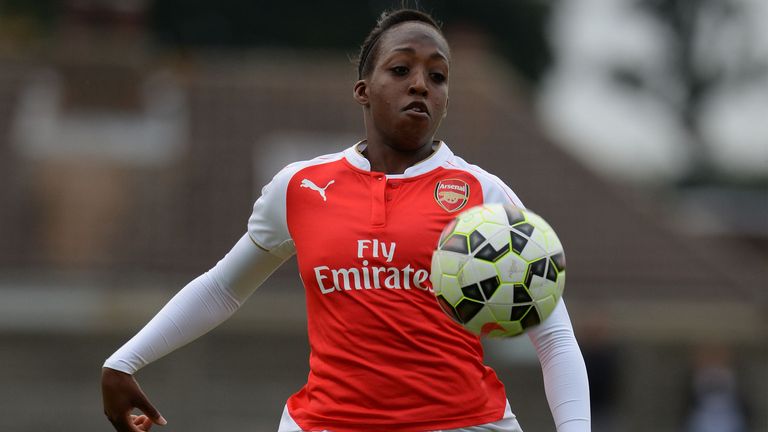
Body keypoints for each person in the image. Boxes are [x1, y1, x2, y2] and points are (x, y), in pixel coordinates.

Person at [101, 8, 591, 432]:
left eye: (437, 76)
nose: (420, 83)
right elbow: (222, 288)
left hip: (463, 422)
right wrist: (124, 362)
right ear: (363, 89)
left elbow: (553, 335)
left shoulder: (483, 195)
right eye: (401, 69)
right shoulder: (300, 187)